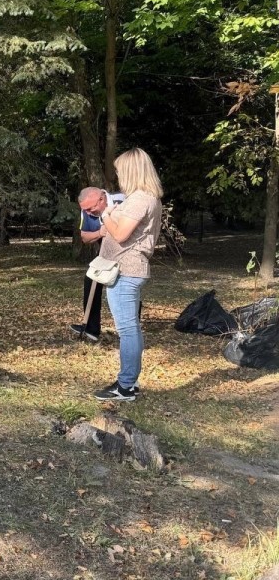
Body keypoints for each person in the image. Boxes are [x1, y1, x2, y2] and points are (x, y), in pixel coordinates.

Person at [93, 148, 163, 402]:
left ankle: (125, 386)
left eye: (121, 170)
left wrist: (105, 214)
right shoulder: (144, 197)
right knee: (130, 329)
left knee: (128, 330)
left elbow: (121, 234)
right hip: (127, 270)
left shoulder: (140, 199)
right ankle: (128, 382)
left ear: (131, 171)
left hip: (126, 270)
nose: (119, 175)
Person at [71, 187, 125, 342]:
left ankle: (128, 333)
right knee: (91, 280)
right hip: (104, 252)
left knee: (125, 288)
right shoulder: (86, 211)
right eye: (85, 210)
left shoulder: (123, 200)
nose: (88, 213)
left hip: (126, 254)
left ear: (102, 199)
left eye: (90, 208)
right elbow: (85, 237)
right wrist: (100, 233)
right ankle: (91, 328)